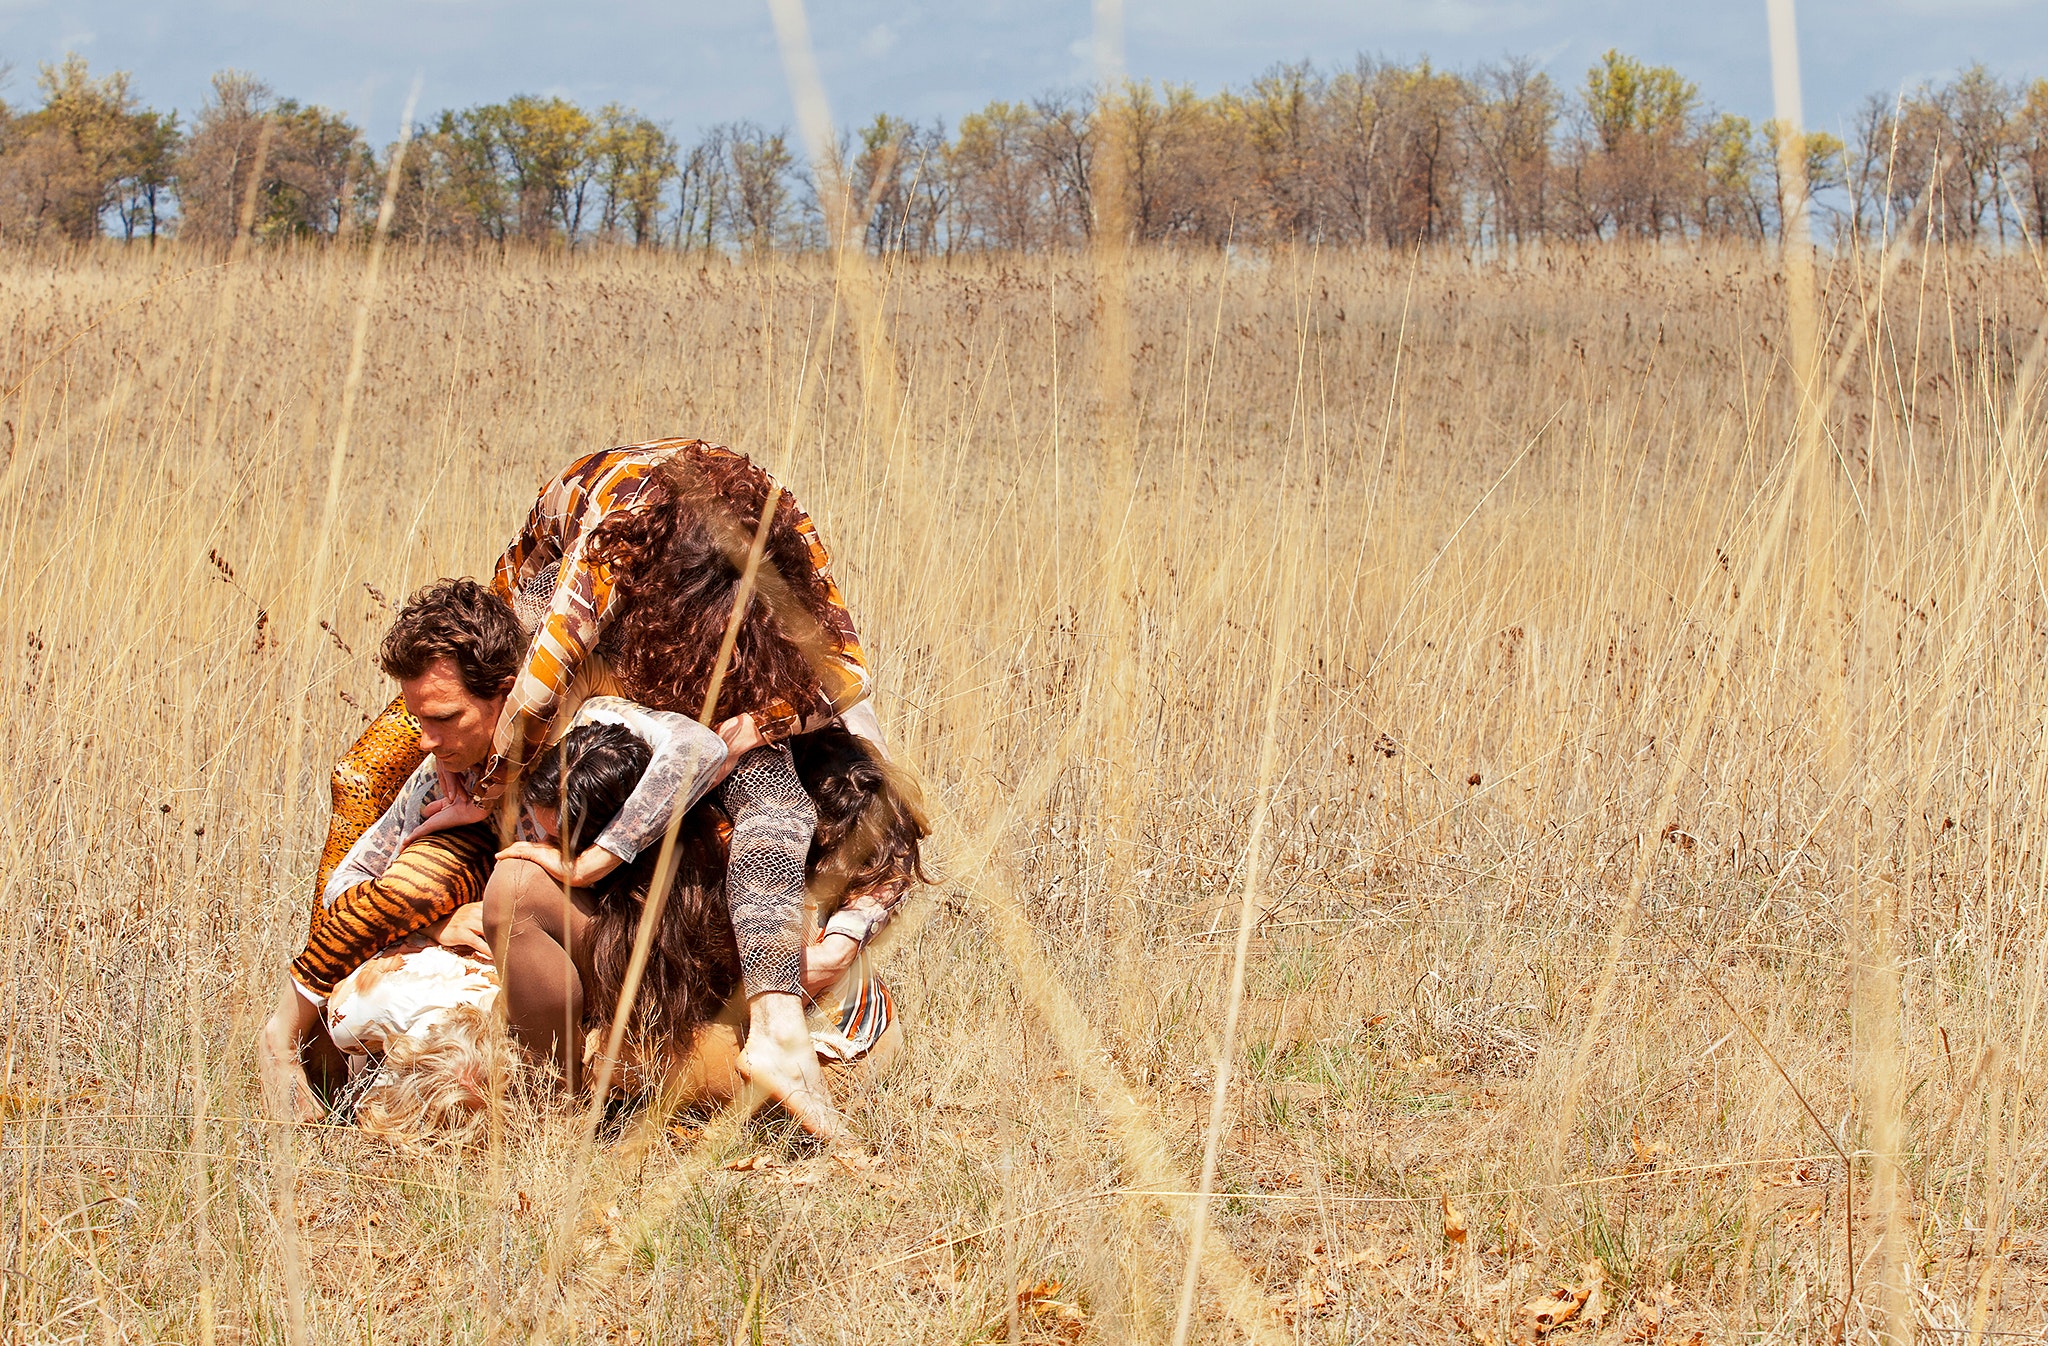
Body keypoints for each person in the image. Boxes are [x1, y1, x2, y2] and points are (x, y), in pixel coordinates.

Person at [480, 438, 883, 1141]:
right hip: (559, 592)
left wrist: (761, 723)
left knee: (770, 786)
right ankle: (682, 1062)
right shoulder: (596, 569)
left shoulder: (787, 534)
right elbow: (524, 702)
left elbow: (852, 692)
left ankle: (766, 1036)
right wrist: (484, 792)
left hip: (804, 1019)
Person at [259, 579, 728, 1122]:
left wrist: (593, 861)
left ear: (506, 693)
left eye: (445, 718)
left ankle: (552, 1106)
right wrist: (440, 923)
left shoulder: (586, 726)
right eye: (418, 720)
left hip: (634, 949)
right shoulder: (451, 779)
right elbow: (349, 882)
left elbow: (702, 748)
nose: (425, 741)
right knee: (387, 966)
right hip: (528, 974)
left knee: (516, 887)